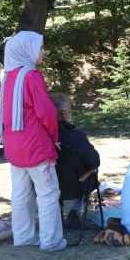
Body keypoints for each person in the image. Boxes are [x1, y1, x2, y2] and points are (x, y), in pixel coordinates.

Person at [0, 31, 66, 252]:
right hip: (36, 145)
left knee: (20, 194)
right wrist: (54, 137)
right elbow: (46, 112)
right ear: (25, 49)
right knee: (48, 194)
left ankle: (24, 237)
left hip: (14, 146)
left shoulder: (9, 76)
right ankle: (51, 242)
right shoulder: (32, 76)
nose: (43, 52)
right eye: (39, 48)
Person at [51, 93, 101, 228]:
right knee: (91, 171)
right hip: (77, 186)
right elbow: (94, 161)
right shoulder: (75, 135)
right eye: (70, 109)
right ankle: (75, 211)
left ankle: (56, 216)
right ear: (63, 113)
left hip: (49, 185)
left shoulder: (43, 135)